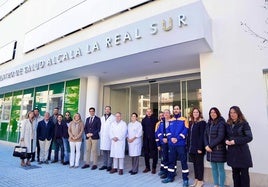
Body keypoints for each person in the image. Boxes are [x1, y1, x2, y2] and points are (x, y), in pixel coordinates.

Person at [225, 106, 253, 187]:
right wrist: (226, 141)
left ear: (238, 113)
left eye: (234, 112)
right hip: (232, 153)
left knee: (244, 176)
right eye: (231, 112)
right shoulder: (228, 124)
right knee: (235, 175)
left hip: (242, 153)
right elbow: (226, 136)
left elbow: (249, 137)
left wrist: (235, 141)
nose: (232, 114)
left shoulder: (244, 123)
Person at [163, 105, 189, 187]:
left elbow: (185, 130)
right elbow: (167, 131)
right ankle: (170, 176)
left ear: (180, 110)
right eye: (174, 109)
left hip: (180, 144)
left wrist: (177, 138)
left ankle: (185, 179)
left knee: (183, 161)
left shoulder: (184, 119)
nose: (176, 110)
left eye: (177, 109)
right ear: (173, 111)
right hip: (171, 144)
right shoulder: (171, 120)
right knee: (171, 161)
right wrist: (171, 138)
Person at [204, 107, 226, 187]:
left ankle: (221, 185)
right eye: (211, 112)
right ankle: (216, 184)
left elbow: (220, 137)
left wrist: (209, 146)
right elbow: (205, 135)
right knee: (213, 168)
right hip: (210, 150)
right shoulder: (209, 123)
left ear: (217, 113)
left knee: (220, 169)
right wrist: (206, 145)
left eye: (214, 112)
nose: (212, 114)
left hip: (218, 150)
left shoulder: (221, 123)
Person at [188, 107, 206, 187]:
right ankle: (196, 179)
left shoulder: (202, 123)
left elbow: (202, 136)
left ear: (199, 113)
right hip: (192, 148)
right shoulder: (192, 123)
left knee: (199, 165)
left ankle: (200, 181)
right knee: (195, 165)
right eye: (194, 112)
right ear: (192, 114)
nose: (195, 113)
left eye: (197, 112)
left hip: (199, 148)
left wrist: (200, 148)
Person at [155, 109, 171, 179]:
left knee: (171, 158)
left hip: (170, 143)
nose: (166, 114)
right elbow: (158, 133)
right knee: (164, 158)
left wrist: (168, 139)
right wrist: (162, 139)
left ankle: (171, 172)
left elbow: (173, 132)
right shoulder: (161, 123)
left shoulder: (172, 122)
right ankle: (165, 172)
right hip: (163, 143)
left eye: (167, 113)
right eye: (165, 113)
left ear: (169, 114)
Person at [141, 108, 158, 174]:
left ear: (152, 112)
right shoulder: (144, 120)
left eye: (150, 111)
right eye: (147, 111)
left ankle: (154, 168)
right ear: (146, 112)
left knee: (154, 154)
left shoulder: (155, 119)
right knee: (146, 154)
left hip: (153, 139)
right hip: (145, 139)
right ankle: (147, 167)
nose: (148, 113)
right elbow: (143, 129)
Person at [99, 106, 115, 171]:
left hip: (110, 137)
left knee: (110, 151)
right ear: (105, 110)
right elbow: (101, 127)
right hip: (103, 137)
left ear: (110, 110)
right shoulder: (102, 118)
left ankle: (109, 165)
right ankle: (104, 165)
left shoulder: (113, 118)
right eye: (106, 109)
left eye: (108, 109)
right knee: (104, 151)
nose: (107, 110)